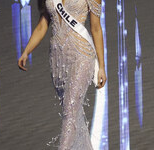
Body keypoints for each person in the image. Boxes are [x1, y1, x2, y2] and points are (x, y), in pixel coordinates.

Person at [18, 0, 106, 149]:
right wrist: (26, 51)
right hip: (58, 59)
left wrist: (101, 67)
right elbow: (42, 25)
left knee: (70, 110)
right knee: (74, 114)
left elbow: (96, 28)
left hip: (82, 55)